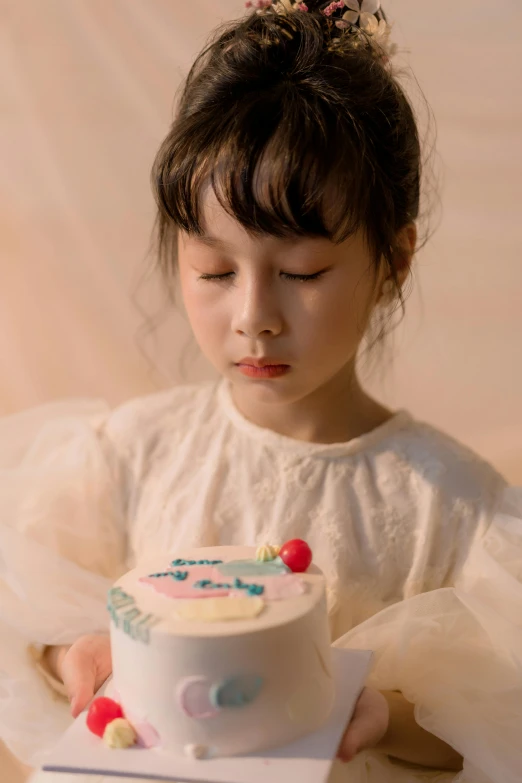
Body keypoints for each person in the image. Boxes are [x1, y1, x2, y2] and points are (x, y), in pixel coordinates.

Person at [1, 2, 521, 782]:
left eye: (302, 273)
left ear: (395, 257)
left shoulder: (452, 509)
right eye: (214, 272)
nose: (253, 318)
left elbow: (491, 719)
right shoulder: (128, 456)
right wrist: (79, 651)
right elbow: (26, 607)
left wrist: (385, 712)